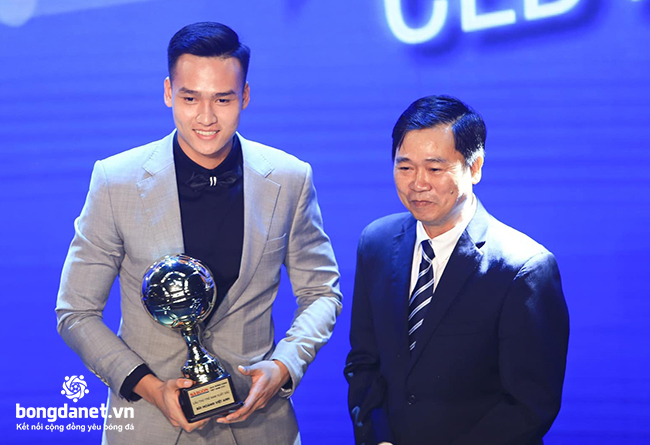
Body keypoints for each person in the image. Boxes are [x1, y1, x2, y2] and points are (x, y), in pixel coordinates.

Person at [56, 22, 342, 445]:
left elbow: (321, 292)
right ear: (168, 92)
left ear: (245, 96)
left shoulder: (289, 179)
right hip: (149, 427)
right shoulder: (116, 181)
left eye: (223, 99)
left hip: (260, 425)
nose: (206, 117)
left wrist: (284, 366)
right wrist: (150, 388)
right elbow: (76, 312)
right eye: (190, 98)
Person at [344, 95, 569, 445]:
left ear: (474, 167)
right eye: (405, 168)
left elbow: (529, 405)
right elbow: (364, 363)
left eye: (435, 169)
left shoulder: (524, 268)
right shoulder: (376, 243)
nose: (418, 183)